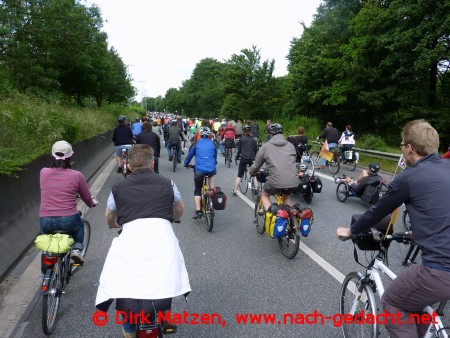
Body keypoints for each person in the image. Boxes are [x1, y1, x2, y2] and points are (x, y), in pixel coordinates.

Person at [336, 119, 450, 338]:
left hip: (440, 271)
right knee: (414, 300)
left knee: (393, 301)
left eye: (401, 144)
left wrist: (350, 231)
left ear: (409, 148)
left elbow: (376, 211)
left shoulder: (408, 177)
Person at [96, 144, 190, 338]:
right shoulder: (167, 183)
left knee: (125, 281)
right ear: (152, 163)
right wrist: (170, 218)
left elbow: (109, 215)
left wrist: (114, 224)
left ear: (128, 166)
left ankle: (130, 329)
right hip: (162, 237)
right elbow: (179, 207)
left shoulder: (118, 187)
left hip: (131, 239)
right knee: (165, 274)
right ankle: (164, 316)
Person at [39, 141, 97, 266]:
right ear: (70, 157)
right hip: (68, 219)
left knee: (47, 249)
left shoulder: (43, 172)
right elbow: (87, 197)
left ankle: (46, 278)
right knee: (79, 225)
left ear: (52, 155)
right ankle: (77, 250)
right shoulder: (77, 175)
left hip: (45, 220)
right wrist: (92, 203)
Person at [249, 123, 298, 211]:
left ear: (270, 135)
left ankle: (272, 216)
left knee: (264, 195)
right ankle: (292, 220)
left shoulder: (266, 146)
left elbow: (256, 165)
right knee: (285, 198)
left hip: (275, 182)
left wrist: (252, 172)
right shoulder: (290, 145)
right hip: (293, 181)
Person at [184, 127, 217, 219]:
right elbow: (215, 156)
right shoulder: (213, 143)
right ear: (209, 135)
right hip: (211, 168)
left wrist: (186, 164)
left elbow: (190, 155)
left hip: (199, 170)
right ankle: (211, 191)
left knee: (197, 190)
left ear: (200, 135)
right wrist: (214, 163)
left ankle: (198, 211)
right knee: (211, 174)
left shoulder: (196, 143)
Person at [231, 125, 258, 195]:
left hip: (244, 158)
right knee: (254, 174)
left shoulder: (241, 139)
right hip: (252, 158)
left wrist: (237, 157)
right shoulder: (253, 140)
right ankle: (256, 188)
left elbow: (239, 150)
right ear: (250, 131)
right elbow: (256, 150)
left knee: (239, 175)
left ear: (243, 131)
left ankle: (235, 190)